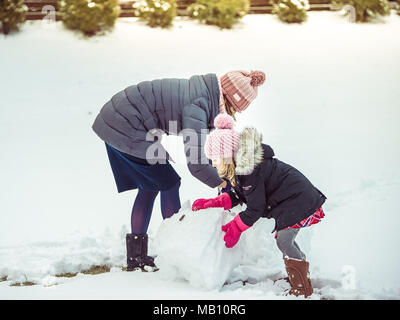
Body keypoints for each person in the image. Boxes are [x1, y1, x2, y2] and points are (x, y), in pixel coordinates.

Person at [92, 70, 266, 271]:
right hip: (125, 125)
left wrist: (225, 174)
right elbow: (197, 164)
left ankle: (136, 258)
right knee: (169, 183)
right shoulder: (198, 106)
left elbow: (205, 146)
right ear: (226, 97)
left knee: (150, 186)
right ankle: (176, 249)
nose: (232, 114)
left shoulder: (205, 95)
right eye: (232, 108)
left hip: (122, 121)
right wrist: (222, 184)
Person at [192, 114, 326, 297]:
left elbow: (255, 208)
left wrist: (236, 227)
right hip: (292, 201)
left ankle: (302, 287)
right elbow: (243, 194)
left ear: (227, 156)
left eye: (214, 158)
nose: (212, 163)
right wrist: (217, 202)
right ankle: (299, 275)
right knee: (286, 240)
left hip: (299, 200)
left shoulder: (249, 169)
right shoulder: (243, 166)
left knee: (284, 240)